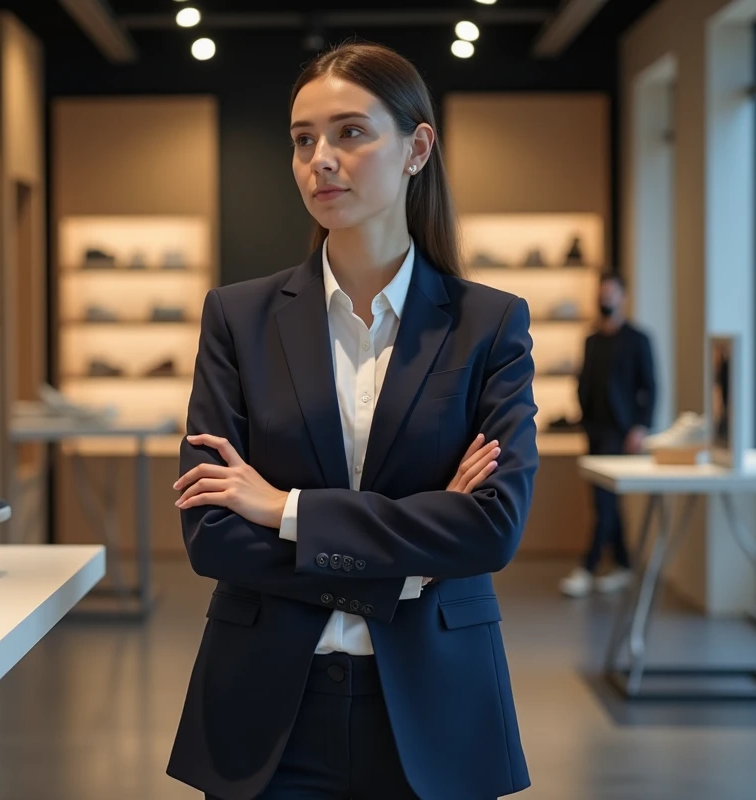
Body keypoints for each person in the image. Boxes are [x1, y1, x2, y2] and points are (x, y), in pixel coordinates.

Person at [166, 42, 537, 800]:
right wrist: (407, 565)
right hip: (266, 712)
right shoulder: (238, 318)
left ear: (417, 147)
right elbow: (213, 532)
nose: (320, 160)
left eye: (350, 133)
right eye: (304, 140)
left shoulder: (489, 325)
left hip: (440, 708)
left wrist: (285, 509)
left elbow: (494, 526)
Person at [560, 272, 655, 598]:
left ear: (623, 297)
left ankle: (588, 567)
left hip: (622, 432)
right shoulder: (592, 340)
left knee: (605, 501)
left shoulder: (638, 340)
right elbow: (583, 383)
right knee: (606, 502)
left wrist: (640, 427)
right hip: (595, 431)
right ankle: (624, 564)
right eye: (601, 294)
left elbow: (651, 388)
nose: (606, 300)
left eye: (611, 294)